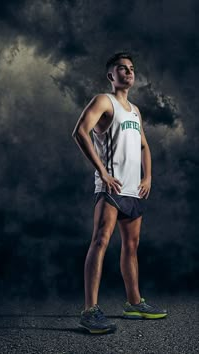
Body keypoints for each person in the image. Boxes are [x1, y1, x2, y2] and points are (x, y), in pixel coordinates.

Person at [72, 52, 167, 334]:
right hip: (110, 188)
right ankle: (89, 310)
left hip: (132, 190)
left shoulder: (135, 111)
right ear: (111, 76)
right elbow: (80, 132)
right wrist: (102, 170)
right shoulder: (104, 100)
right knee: (100, 240)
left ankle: (134, 303)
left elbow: (144, 146)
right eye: (121, 69)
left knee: (131, 247)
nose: (128, 73)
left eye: (131, 69)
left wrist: (147, 177)